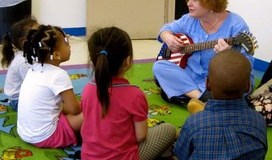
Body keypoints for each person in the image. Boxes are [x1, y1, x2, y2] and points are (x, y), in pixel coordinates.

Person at [80, 26, 176, 160]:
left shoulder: (87, 89)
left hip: (89, 157)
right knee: (168, 129)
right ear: (127, 60)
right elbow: (141, 136)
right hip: (124, 156)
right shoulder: (134, 94)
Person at [153, 0, 255, 104]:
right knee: (159, 66)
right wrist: (167, 37)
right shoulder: (189, 19)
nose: (189, 3)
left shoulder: (236, 25)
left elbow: (247, 66)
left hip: (219, 78)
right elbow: (166, 29)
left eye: (195, 0)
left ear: (211, 2)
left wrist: (229, 56)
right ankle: (203, 99)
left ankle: (184, 93)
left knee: (233, 87)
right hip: (193, 72)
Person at [174, 49, 268, 159]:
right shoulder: (258, 120)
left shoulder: (193, 123)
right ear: (248, 86)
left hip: (200, 123)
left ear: (207, 84)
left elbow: (181, 155)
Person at [17, 25, 83, 148]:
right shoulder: (59, 75)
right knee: (93, 110)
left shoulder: (33, 69)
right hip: (46, 136)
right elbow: (75, 110)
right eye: (67, 43)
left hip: (25, 133)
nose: (70, 46)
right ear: (56, 55)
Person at [1, 17, 39, 111]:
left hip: (25, 94)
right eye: (38, 34)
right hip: (18, 100)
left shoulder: (30, 53)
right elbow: (33, 85)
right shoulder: (23, 61)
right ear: (25, 41)